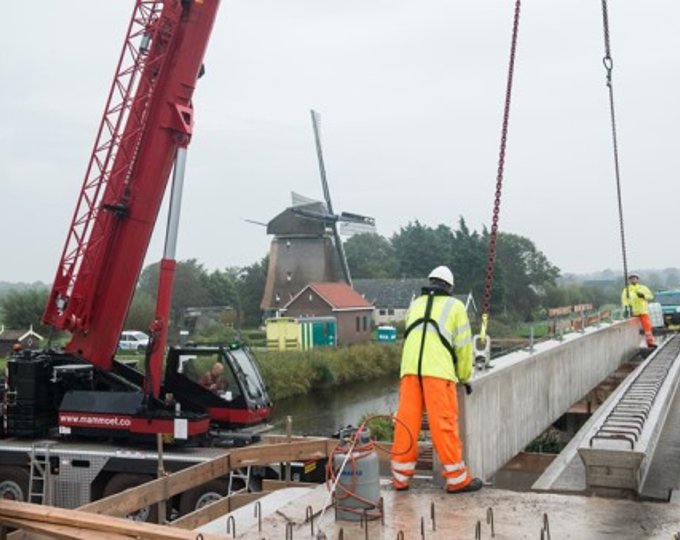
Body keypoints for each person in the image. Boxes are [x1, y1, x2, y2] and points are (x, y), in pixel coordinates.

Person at [391, 265, 483, 493]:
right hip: (438, 373)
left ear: (430, 282)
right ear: (449, 287)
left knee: (406, 424)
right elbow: (463, 348)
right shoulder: (456, 306)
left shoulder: (415, 304)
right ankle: (456, 479)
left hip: (410, 371)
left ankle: (400, 477)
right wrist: (464, 376)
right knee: (444, 424)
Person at [621, 272, 657, 348]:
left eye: (634, 278)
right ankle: (634, 345)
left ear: (638, 279)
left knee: (647, 328)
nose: (633, 280)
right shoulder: (626, 290)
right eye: (631, 278)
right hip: (633, 313)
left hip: (643, 312)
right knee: (633, 330)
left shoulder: (643, 288)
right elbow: (624, 300)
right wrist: (626, 309)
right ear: (629, 280)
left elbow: (651, 297)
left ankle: (650, 342)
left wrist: (643, 296)